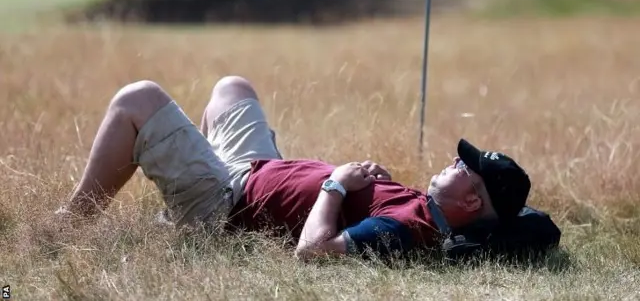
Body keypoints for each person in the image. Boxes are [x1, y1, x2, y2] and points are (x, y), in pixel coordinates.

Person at [58, 76, 531, 261]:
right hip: (254, 170)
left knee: (136, 100)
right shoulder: (427, 210)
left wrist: (336, 183)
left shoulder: (406, 229)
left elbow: (312, 251)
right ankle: (178, 214)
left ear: (471, 201)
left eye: (464, 168)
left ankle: (71, 224)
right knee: (232, 88)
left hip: (228, 203)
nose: (454, 161)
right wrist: (368, 180)